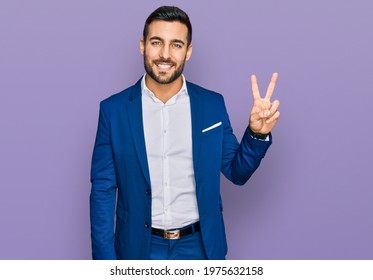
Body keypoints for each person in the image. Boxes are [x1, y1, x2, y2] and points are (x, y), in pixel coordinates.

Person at [90, 5, 280, 260]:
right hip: (139, 249)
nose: (165, 54)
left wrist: (256, 134)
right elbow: (103, 190)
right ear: (142, 45)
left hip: (200, 247)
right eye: (157, 42)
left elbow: (237, 172)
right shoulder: (113, 111)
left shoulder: (212, 105)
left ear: (188, 51)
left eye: (176, 45)